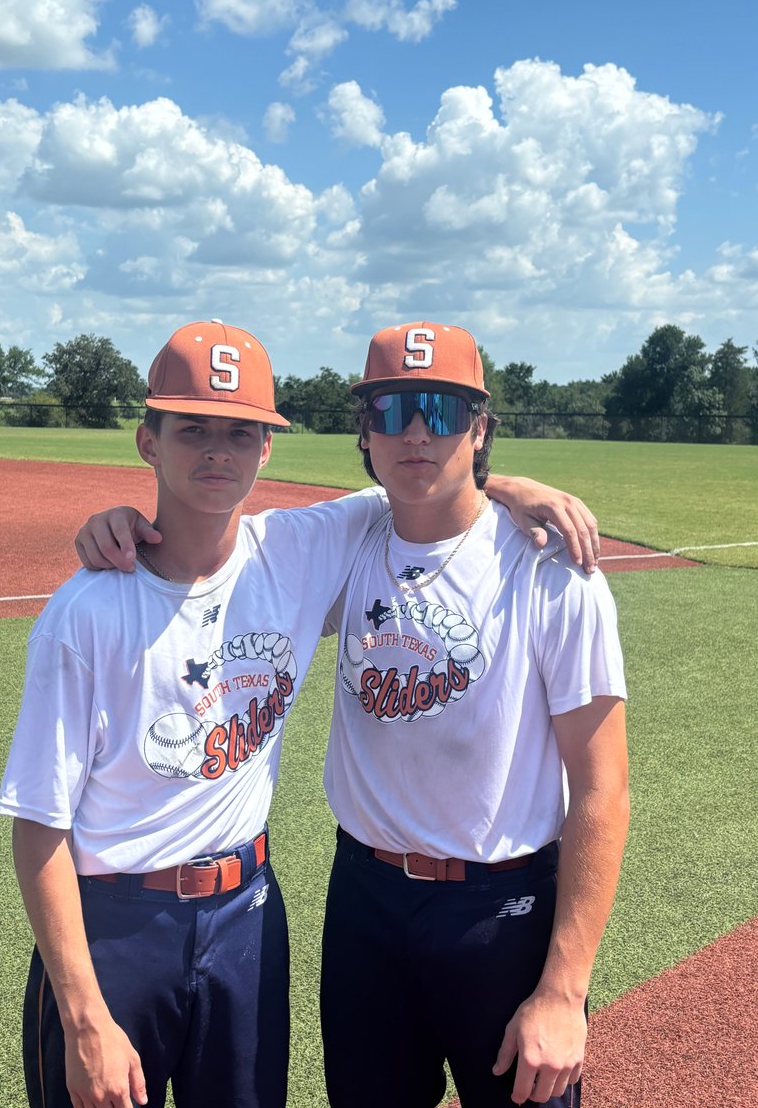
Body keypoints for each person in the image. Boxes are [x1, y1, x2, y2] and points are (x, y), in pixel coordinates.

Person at [72, 322, 622, 1108]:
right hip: (365, 905)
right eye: (395, 411)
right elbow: (215, 546)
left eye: (442, 408)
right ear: (365, 432)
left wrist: (565, 991)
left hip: (503, 915)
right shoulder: (348, 541)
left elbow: (603, 789)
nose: (419, 432)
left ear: (481, 427)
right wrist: (117, 524)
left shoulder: (553, 571)